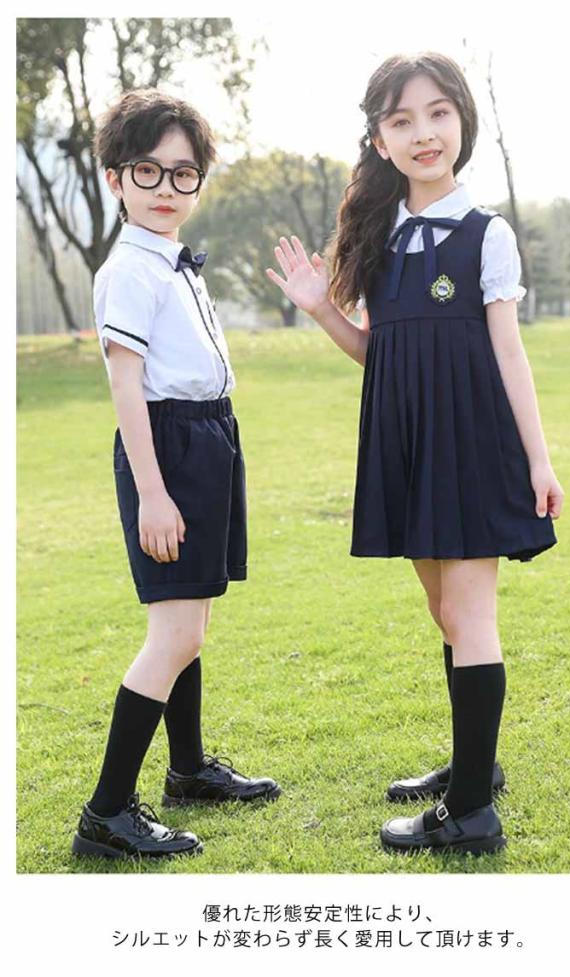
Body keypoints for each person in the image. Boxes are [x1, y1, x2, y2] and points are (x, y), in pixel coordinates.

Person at [266, 52, 563, 855]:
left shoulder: (487, 235)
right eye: (402, 120)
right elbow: (382, 352)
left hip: (471, 441)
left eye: (437, 113)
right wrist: (319, 309)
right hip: (405, 442)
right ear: (380, 139)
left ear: (462, 119)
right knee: (444, 612)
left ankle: (470, 814)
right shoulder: (380, 233)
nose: (423, 133)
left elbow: (509, 353)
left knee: (470, 615)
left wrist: (539, 459)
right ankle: (476, 765)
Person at [72, 89, 281, 861]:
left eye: (183, 173)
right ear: (115, 178)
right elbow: (126, 384)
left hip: (207, 435)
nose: (167, 188)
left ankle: (187, 768)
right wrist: (154, 493)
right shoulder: (130, 269)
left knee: (192, 620)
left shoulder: (170, 259)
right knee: (176, 631)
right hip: (168, 444)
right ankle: (106, 813)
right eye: (148, 171)